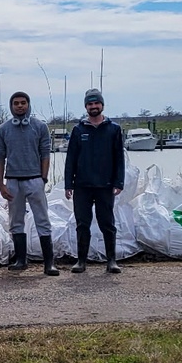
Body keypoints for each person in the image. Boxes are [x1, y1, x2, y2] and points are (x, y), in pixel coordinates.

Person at [0, 91, 59, 276]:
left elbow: (45, 153)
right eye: (16, 103)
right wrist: (1, 183)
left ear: (28, 104)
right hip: (13, 181)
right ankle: (21, 260)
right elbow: (0, 157)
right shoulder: (3, 129)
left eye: (23, 102)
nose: (20, 106)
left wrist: (43, 178)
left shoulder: (40, 127)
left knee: (42, 220)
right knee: (15, 221)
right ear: (11, 106)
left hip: (34, 179)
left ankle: (49, 263)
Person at [65, 88, 125, 273]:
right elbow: (71, 159)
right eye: (90, 104)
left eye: (96, 103)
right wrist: (68, 184)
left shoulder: (113, 129)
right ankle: (81, 261)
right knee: (82, 223)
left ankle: (111, 261)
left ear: (102, 105)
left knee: (107, 223)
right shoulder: (78, 130)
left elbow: (119, 158)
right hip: (82, 186)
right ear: (86, 107)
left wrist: (119, 182)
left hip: (105, 185)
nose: (93, 106)